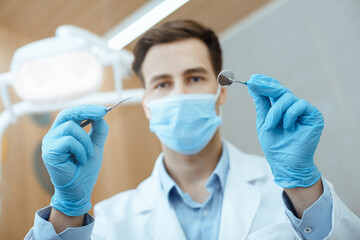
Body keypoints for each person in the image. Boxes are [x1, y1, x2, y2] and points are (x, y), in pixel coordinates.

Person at [25, 20, 360, 239]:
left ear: (222, 91)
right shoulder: (113, 221)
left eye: (195, 78)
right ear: (146, 104)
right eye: (162, 84)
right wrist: (67, 211)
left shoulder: (294, 191)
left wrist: (301, 183)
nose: (180, 94)